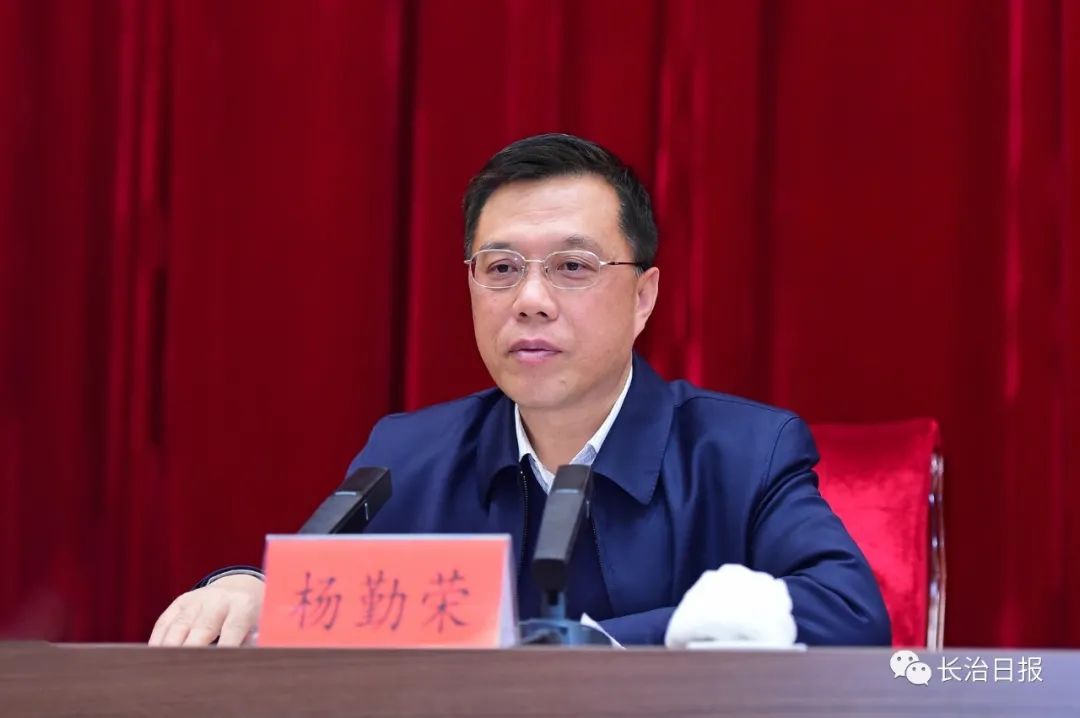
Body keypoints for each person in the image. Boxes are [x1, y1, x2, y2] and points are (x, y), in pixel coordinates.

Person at [150, 133, 890, 648]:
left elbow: (849, 615)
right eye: (501, 269)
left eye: (573, 267)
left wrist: (598, 647)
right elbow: (326, 604)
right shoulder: (407, 455)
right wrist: (249, 588)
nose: (530, 300)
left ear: (643, 297)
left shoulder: (745, 451)